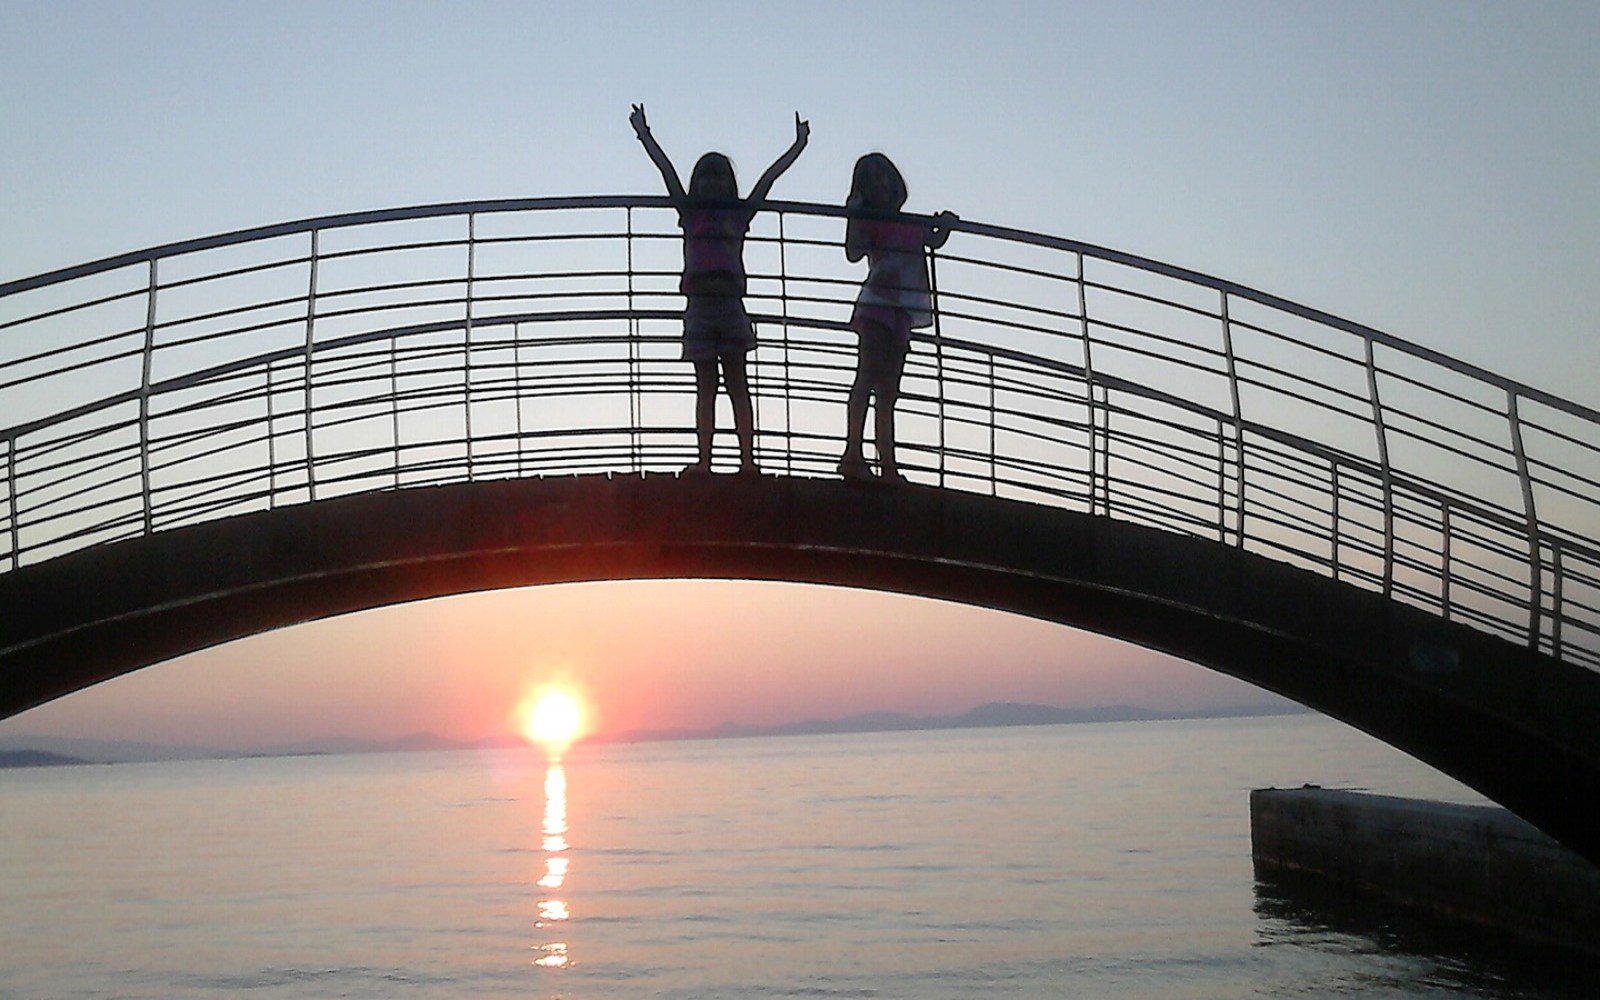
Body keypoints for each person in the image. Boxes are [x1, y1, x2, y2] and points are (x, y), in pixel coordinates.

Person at [630, 104, 809, 475]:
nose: (712, 182)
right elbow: (666, 171)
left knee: (737, 384)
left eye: (719, 175)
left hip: (729, 305)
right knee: (706, 387)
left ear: (730, 184)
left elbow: (768, 180)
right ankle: (706, 461)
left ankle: (747, 461)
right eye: (706, 176)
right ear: (696, 184)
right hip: (698, 306)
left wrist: (797, 146)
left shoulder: (738, 214)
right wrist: (645, 135)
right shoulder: (690, 213)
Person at [838, 153, 957, 484]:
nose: (880, 185)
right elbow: (853, 251)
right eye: (870, 181)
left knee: (888, 391)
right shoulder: (872, 222)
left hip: (901, 314)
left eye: (884, 178)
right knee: (867, 380)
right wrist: (855, 213)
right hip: (876, 308)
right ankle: (853, 455)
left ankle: (887, 464)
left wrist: (945, 223)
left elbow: (934, 239)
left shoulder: (912, 224)